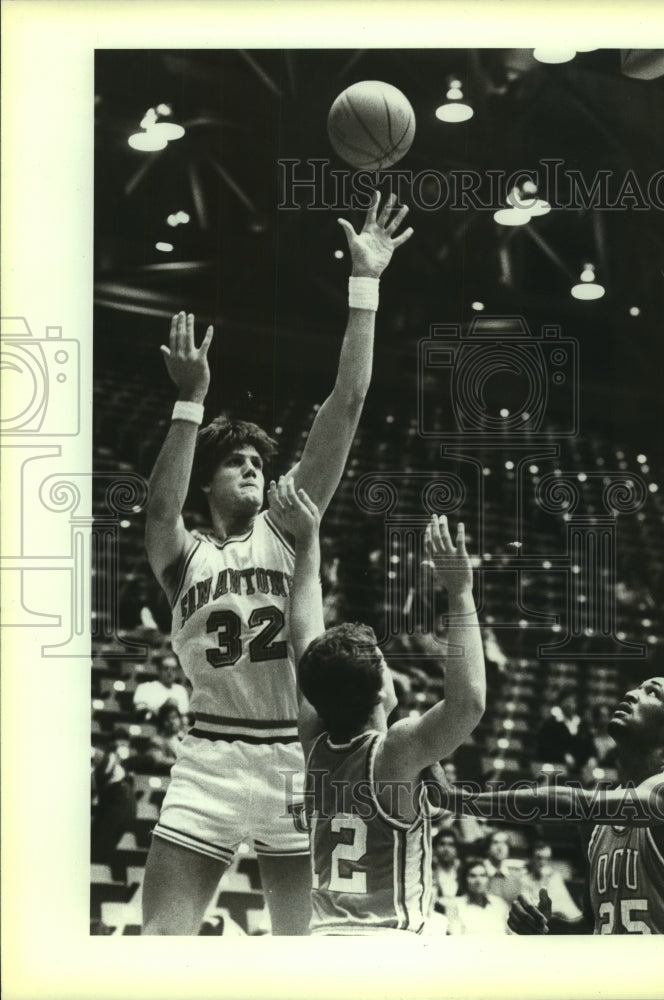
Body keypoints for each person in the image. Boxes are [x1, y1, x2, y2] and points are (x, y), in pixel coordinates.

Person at [140, 192, 413, 936]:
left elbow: (346, 403)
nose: (255, 468)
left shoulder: (288, 524)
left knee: (305, 954)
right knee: (157, 945)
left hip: (299, 755)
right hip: (208, 759)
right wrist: (191, 405)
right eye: (237, 462)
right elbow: (158, 512)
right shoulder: (184, 555)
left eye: (261, 459)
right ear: (210, 481)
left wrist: (367, 285)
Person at [271, 479, 485, 936]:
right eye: (386, 665)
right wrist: (461, 591)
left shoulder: (313, 744)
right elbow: (469, 703)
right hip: (391, 945)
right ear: (380, 693)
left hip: (324, 939)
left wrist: (308, 543)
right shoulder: (397, 749)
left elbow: (303, 638)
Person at [477, 677, 664, 935]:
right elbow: (592, 924)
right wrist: (544, 927)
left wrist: (464, 801)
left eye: (651, 692)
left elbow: (577, 803)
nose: (631, 693)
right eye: (637, 686)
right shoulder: (596, 825)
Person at [536, 684, 596, 775]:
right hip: (557, 769)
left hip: (581, 771)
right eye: (566, 701)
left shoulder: (583, 725)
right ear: (560, 702)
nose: (569, 704)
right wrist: (563, 756)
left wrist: (592, 758)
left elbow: (590, 747)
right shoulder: (550, 724)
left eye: (572, 701)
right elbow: (544, 749)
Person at [520, 841, 582, 926]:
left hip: (564, 921)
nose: (543, 863)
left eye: (547, 859)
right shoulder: (523, 879)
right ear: (531, 859)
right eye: (539, 858)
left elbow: (565, 907)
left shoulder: (554, 877)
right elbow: (528, 906)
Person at [446, 858, 509, 936]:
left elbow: (511, 934)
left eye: (482, 875)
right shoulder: (455, 905)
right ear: (464, 880)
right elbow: (456, 937)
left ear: (488, 879)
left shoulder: (500, 904)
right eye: (472, 876)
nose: (478, 881)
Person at [133, 653, 189, 718]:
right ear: (159, 670)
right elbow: (140, 713)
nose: (169, 672)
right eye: (166, 668)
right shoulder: (145, 688)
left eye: (173, 669)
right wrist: (164, 707)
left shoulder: (181, 690)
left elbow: (184, 714)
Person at [138, 702, 186, 774]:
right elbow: (158, 760)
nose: (171, 722)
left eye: (174, 717)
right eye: (167, 719)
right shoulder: (156, 740)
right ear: (161, 723)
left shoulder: (183, 738)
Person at [482, 830, 528, 905]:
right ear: (487, 849)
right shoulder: (479, 873)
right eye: (495, 843)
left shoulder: (515, 876)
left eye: (505, 843)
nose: (500, 848)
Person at [432, 829, 462, 904]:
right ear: (435, 848)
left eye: (451, 845)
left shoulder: (462, 871)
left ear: (457, 849)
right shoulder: (429, 870)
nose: (446, 849)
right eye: (442, 844)